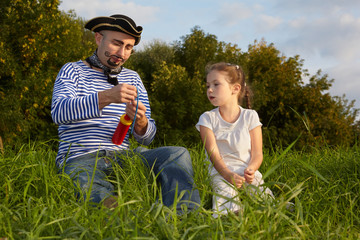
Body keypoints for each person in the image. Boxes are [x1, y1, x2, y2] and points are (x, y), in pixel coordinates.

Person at [51, 14, 200, 212]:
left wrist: (141, 123)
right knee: (89, 185)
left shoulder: (133, 78)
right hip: (81, 157)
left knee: (177, 153)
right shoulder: (72, 71)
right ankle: (117, 214)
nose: (122, 53)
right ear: (98, 38)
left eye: (129, 47)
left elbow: (147, 138)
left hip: (125, 157)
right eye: (116, 43)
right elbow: (59, 112)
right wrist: (106, 97)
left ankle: (183, 215)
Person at [195, 62, 273, 217]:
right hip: (220, 172)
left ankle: (273, 209)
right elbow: (213, 154)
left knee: (264, 197)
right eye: (208, 85)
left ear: (235, 89)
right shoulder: (207, 118)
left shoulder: (250, 116)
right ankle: (231, 216)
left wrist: (251, 170)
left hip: (246, 172)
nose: (209, 89)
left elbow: (258, 154)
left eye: (216, 84)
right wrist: (227, 174)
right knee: (224, 195)